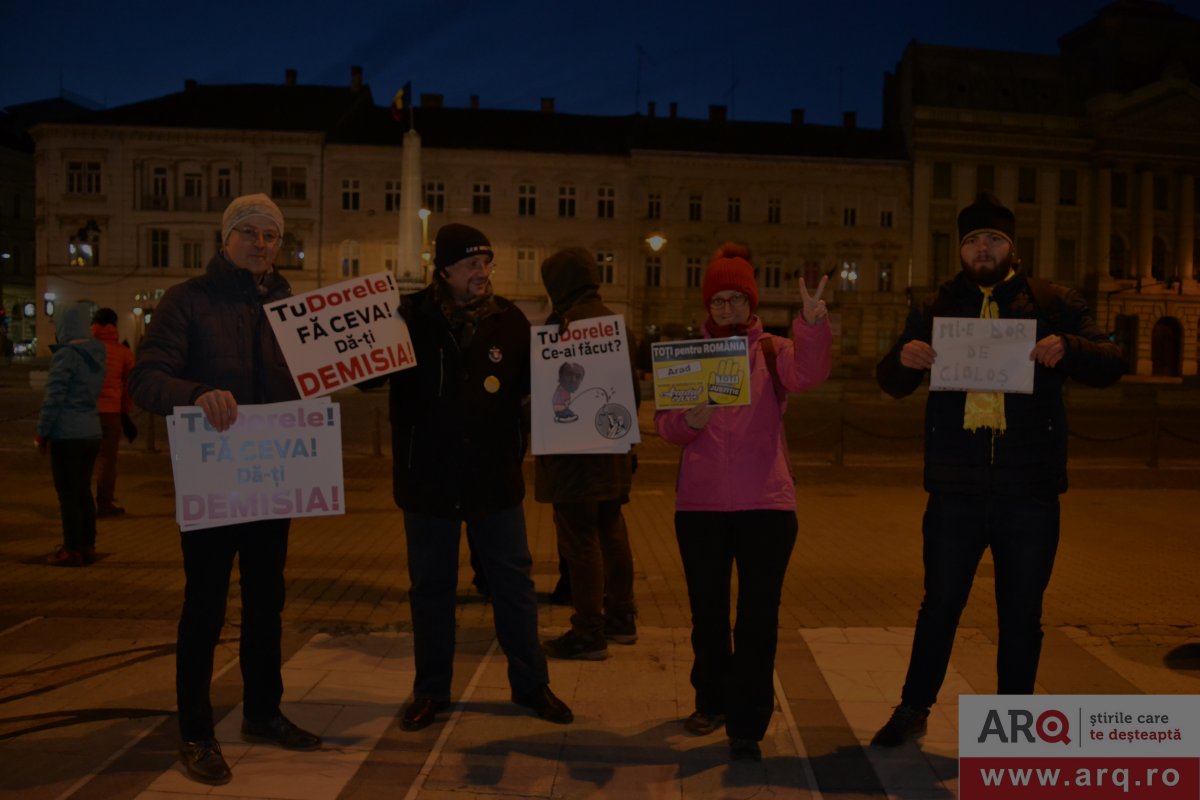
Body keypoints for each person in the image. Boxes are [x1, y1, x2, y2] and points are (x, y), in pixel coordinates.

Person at [871, 192, 1125, 747]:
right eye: (971, 241)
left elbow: (1113, 362)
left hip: (1028, 491)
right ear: (959, 250)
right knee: (939, 606)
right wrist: (902, 359)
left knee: (1021, 615)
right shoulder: (935, 305)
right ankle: (914, 707)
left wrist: (1071, 347)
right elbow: (891, 382)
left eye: (992, 240)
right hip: (955, 489)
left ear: (1012, 247)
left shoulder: (1053, 302)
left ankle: (1012, 728)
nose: (981, 249)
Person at [129, 193, 321, 786]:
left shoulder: (292, 306)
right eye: (249, 233)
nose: (261, 244)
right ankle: (196, 731)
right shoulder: (189, 300)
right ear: (226, 238)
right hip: (214, 483)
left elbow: (328, 369)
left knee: (268, 604)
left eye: (270, 235)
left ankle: (263, 713)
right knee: (206, 608)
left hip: (273, 482)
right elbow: (147, 376)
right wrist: (193, 394)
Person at [381, 222, 572, 731]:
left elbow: (535, 384)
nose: (481, 273)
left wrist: (561, 349)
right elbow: (368, 378)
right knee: (432, 589)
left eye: (486, 263)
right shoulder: (409, 319)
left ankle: (532, 684)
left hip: (494, 480)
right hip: (428, 482)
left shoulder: (508, 320)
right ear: (442, 270)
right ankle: (430, 691)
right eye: (470, 265)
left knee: (513, 586)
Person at [655, 242, 831, 762]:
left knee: (756, 618)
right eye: (718, 301)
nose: (727, 309)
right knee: (707, 615)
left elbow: (810, 374)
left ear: (751, 303)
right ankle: (710, 701)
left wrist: (813, 323)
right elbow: (666, 427)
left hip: (765, 507)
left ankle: (749, 719)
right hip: (701, 509)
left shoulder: (774, 352)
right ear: (706, 307)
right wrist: (691, 421)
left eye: (736, 299)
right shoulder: (686, 358)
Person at [536, 247, 639, 661]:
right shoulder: (617, 324)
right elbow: (631, 386)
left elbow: (547, 392)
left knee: (579, 540)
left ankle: (588, 631)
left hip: (572, 451)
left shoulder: (561, 325)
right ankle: (621, 617)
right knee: (612, 528)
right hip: (612, 442)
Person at [36, 301, 105, 567]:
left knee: (68, 494)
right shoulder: (96, 355)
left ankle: (71, 548)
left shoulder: (66, 356)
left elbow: (54, 398)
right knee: (83, 492)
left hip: (67, 433)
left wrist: (42, 433)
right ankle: (87, 545)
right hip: (91, 431)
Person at [91, 307, 135, 517]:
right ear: (114, 325)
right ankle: (104, 503)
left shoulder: (84, 349)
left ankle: (81, 505)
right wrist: (125, 411)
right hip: (110, 413)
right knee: (107, 460)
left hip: (84, 412)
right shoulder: (122, 352)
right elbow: (129, 386)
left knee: (83, 460)